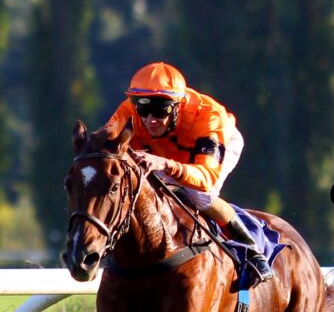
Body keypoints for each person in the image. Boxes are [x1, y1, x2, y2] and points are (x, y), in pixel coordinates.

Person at [100, 62, 275, 284]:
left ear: (178, 105)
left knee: (200, 195)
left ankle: (252, 252)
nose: (151, 119)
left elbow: (205, 177)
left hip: (216, 148)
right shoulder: (127, 112)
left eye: (160, 110)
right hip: (163, 152)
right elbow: (105, 150)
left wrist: (167, 165)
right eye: (143, 109)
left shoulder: (208, 117)